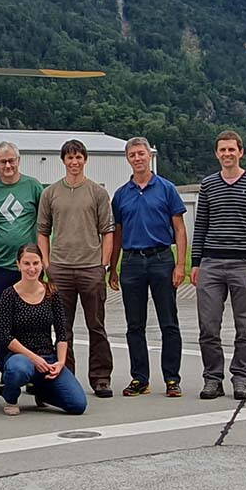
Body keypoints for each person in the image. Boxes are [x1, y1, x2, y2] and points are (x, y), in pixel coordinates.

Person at [191, 130, 246, 401]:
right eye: (222, 150)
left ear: (241, 152)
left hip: (245, 264)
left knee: (245, 326)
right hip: (211, 264)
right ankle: (212, 379)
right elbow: (200, 225)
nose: (227, 154)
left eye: (231, 149)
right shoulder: (208, 185)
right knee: (208, 326)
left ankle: (242, 378)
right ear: (216, 154)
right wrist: (195, 263)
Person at [108, 137, 187, 398]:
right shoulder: (121, 195)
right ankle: (140, 379)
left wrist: (180, 264)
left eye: (141, 153)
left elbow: (179, 228)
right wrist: (113, 266)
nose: (138, 158)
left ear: (149, 155)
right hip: (131, 261)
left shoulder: (166, 189)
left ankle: (172, 379)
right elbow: (117, 233)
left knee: (169, 323)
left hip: (161, 259)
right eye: (133, 155)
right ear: (128, 159)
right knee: (134, 325)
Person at [38, 139, 115, 398]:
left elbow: (108, 231)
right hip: (60, 269)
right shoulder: (50, 193)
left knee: (96, 326)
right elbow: (42, 232)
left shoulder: (97, 193)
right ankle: (66, 376)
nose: (74, 162)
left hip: (90, 268)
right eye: (69, 158)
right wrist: (47, 264)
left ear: (85, 159)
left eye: (78, 157)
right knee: (63, 328)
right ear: (63, 161)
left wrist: (103, 265)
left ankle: (101, 377)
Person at [0, 244, 87, 416]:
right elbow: (5, 336)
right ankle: (10, 395)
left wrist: (60, 363)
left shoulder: (51, 293)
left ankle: (41, 389)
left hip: (48, 358)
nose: (32, 268)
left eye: (36, 263)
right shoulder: (9, 295)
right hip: (21, 357)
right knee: (18, 370)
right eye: (27, 263)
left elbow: (62, 333)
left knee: (78, 405)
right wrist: (34, 359)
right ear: (18, 265)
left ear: (42, 264)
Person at [0, 141, 45, 369]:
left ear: (19, 160)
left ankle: (35, 366)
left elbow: (44, 222)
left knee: (33, 317)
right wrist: (4, 242)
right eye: (2, 161)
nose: (8, 165)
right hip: (1, 266)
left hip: (30, 268)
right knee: (3, 320)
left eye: (11, 160)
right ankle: (6, 366)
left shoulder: (34, 187)